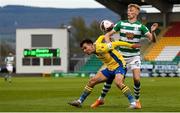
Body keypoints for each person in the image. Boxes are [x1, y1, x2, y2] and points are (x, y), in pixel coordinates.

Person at [91, 4, 158, 109]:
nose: (128, 12)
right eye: (128, 10)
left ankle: (137, 101)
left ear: (136, 12)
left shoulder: (141, 27)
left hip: (134, 57)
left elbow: (153, 40)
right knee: (111, 76)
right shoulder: (121, 24)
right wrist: (110, 48)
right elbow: (107, 35)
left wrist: (153, 32)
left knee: (136, 79)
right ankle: (101, 99)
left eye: (131, 10)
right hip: (121, 57)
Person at [68, 35, 141, 108]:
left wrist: (131, 45)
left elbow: (117, 43)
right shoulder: (95, 45)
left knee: (118, 83)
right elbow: (100, 37)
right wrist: (105, 36)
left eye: (85, 48)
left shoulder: (102, 48)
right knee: (92, 81)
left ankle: (134, 103)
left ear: (90, 45)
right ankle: (79, 101)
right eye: (83, 49)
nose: (84, 50)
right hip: (109, 68)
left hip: (119, 66)